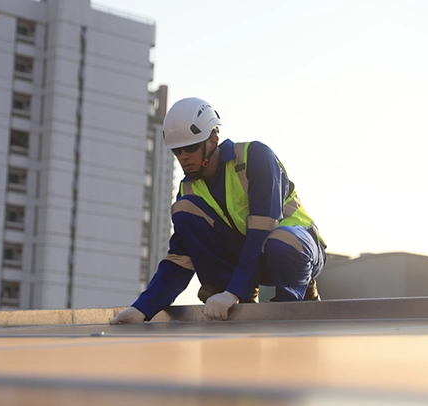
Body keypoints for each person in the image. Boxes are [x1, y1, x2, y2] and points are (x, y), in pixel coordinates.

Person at [111, 98, 325, 324]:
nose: (183, 156)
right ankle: (236, 297)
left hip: (298, 249)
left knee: (280, 241)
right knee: (184, 209)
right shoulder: (189, 191)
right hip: (250, 263)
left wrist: (234, 292)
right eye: (177, 150)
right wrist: (141, 309)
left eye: (191, 147)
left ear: (213, 139)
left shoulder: (255, 158)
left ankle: (295, 299)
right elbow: (179, 260)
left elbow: (261, 231)